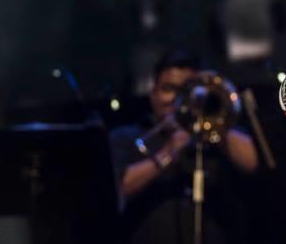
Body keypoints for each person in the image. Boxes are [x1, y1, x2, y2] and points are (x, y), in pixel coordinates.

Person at [109, 51, 260, 244]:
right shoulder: (127, 136)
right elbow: (117, 188)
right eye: (168, 89)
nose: (177, 99)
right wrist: (170, 152)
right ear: (153, 94)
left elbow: (254, 163)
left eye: (186, 90)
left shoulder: (217, 133)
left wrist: (212, 120)